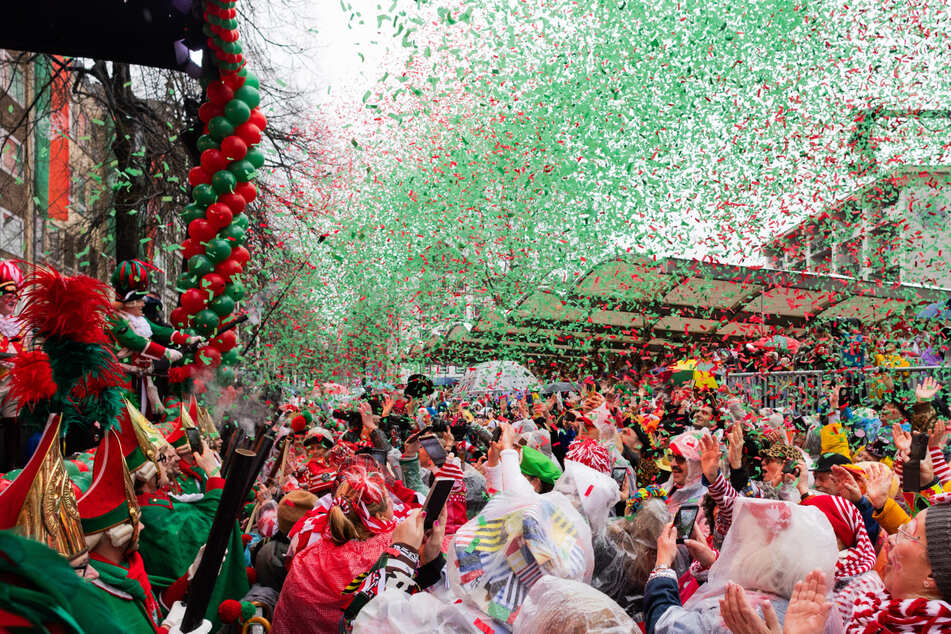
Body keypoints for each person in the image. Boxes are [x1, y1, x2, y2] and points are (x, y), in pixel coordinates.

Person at [271, 462, 400, 634]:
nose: (394, 504)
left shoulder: (305, 559)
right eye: (390, 501)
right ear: (379, 516)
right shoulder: (389, 556)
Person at [0, 259, 25, 470]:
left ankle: (12, 469)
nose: (13, 299)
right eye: (8, 294)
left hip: (13, 385)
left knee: (13, 427)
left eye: (15, 295)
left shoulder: (18, 326)